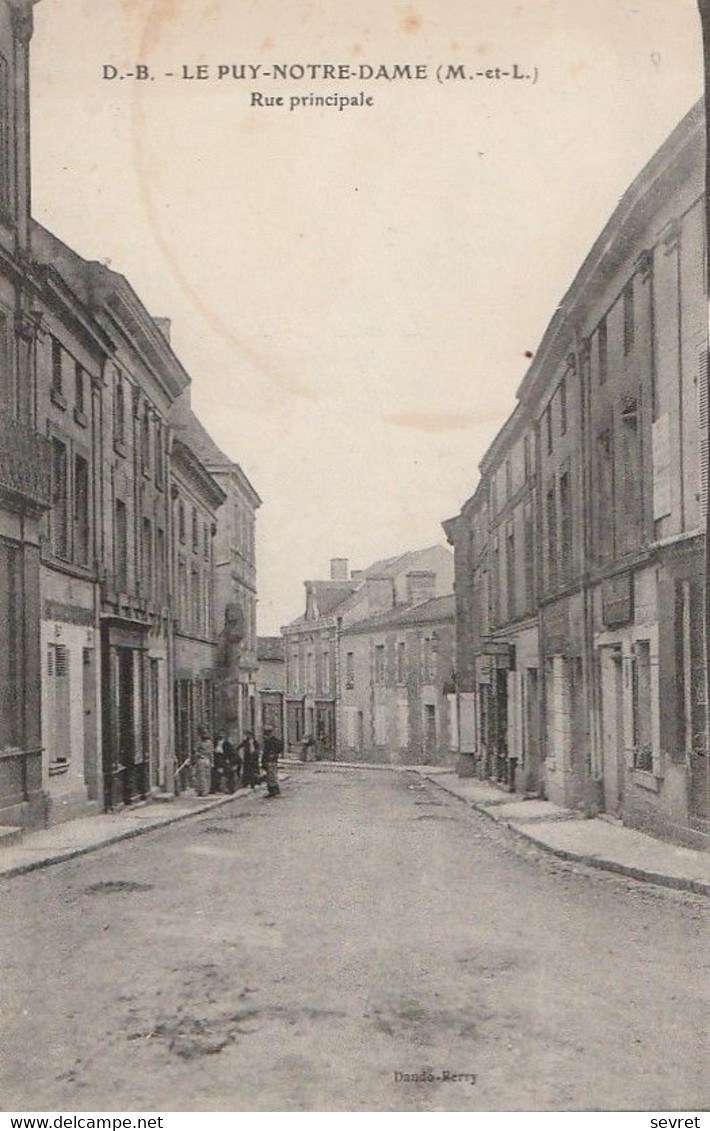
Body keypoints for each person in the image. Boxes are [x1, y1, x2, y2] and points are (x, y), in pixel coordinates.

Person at [192, 726, 214, 797]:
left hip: (202, 759)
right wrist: (212, 762)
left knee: (202, 776)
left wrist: (197, 754)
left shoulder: (200, 743)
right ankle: (203, 791)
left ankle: (203, 791)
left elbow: (196, 751)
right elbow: (211, 753)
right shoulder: (210, 743)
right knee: (205, 776)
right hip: (207, 760)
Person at [262, 725, 283, 798]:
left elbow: (279, 747)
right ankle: (271, 791)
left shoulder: (274, 741)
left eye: (268, 733)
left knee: (272, 776)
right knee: (269, 776)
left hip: (272, 760)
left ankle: (275, 791)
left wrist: (273, 754)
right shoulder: (267, 741)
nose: (266, 734)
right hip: (267, 760)